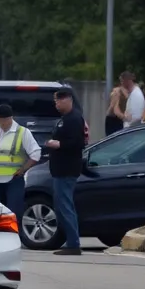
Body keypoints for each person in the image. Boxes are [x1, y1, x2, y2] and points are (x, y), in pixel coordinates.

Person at [0, 104, 40, 216]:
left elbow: (36, 154)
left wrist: (22, 170)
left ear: (10, 118)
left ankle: (16, 233)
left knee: (13, 213)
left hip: (13, 180)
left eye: (4, 121)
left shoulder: (22, 132)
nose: (2, 124)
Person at [45, 87, 85, 255]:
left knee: (65, 206)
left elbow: (77, 143)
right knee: (61, 206)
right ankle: (69, 241)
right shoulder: (64, 119)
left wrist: (58, 144)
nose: (56, 104)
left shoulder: (74, 119)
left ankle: (73, 243)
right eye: (55, 101)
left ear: (67, 99)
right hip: (59, 170)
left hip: (67, 170)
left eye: (59, 100)